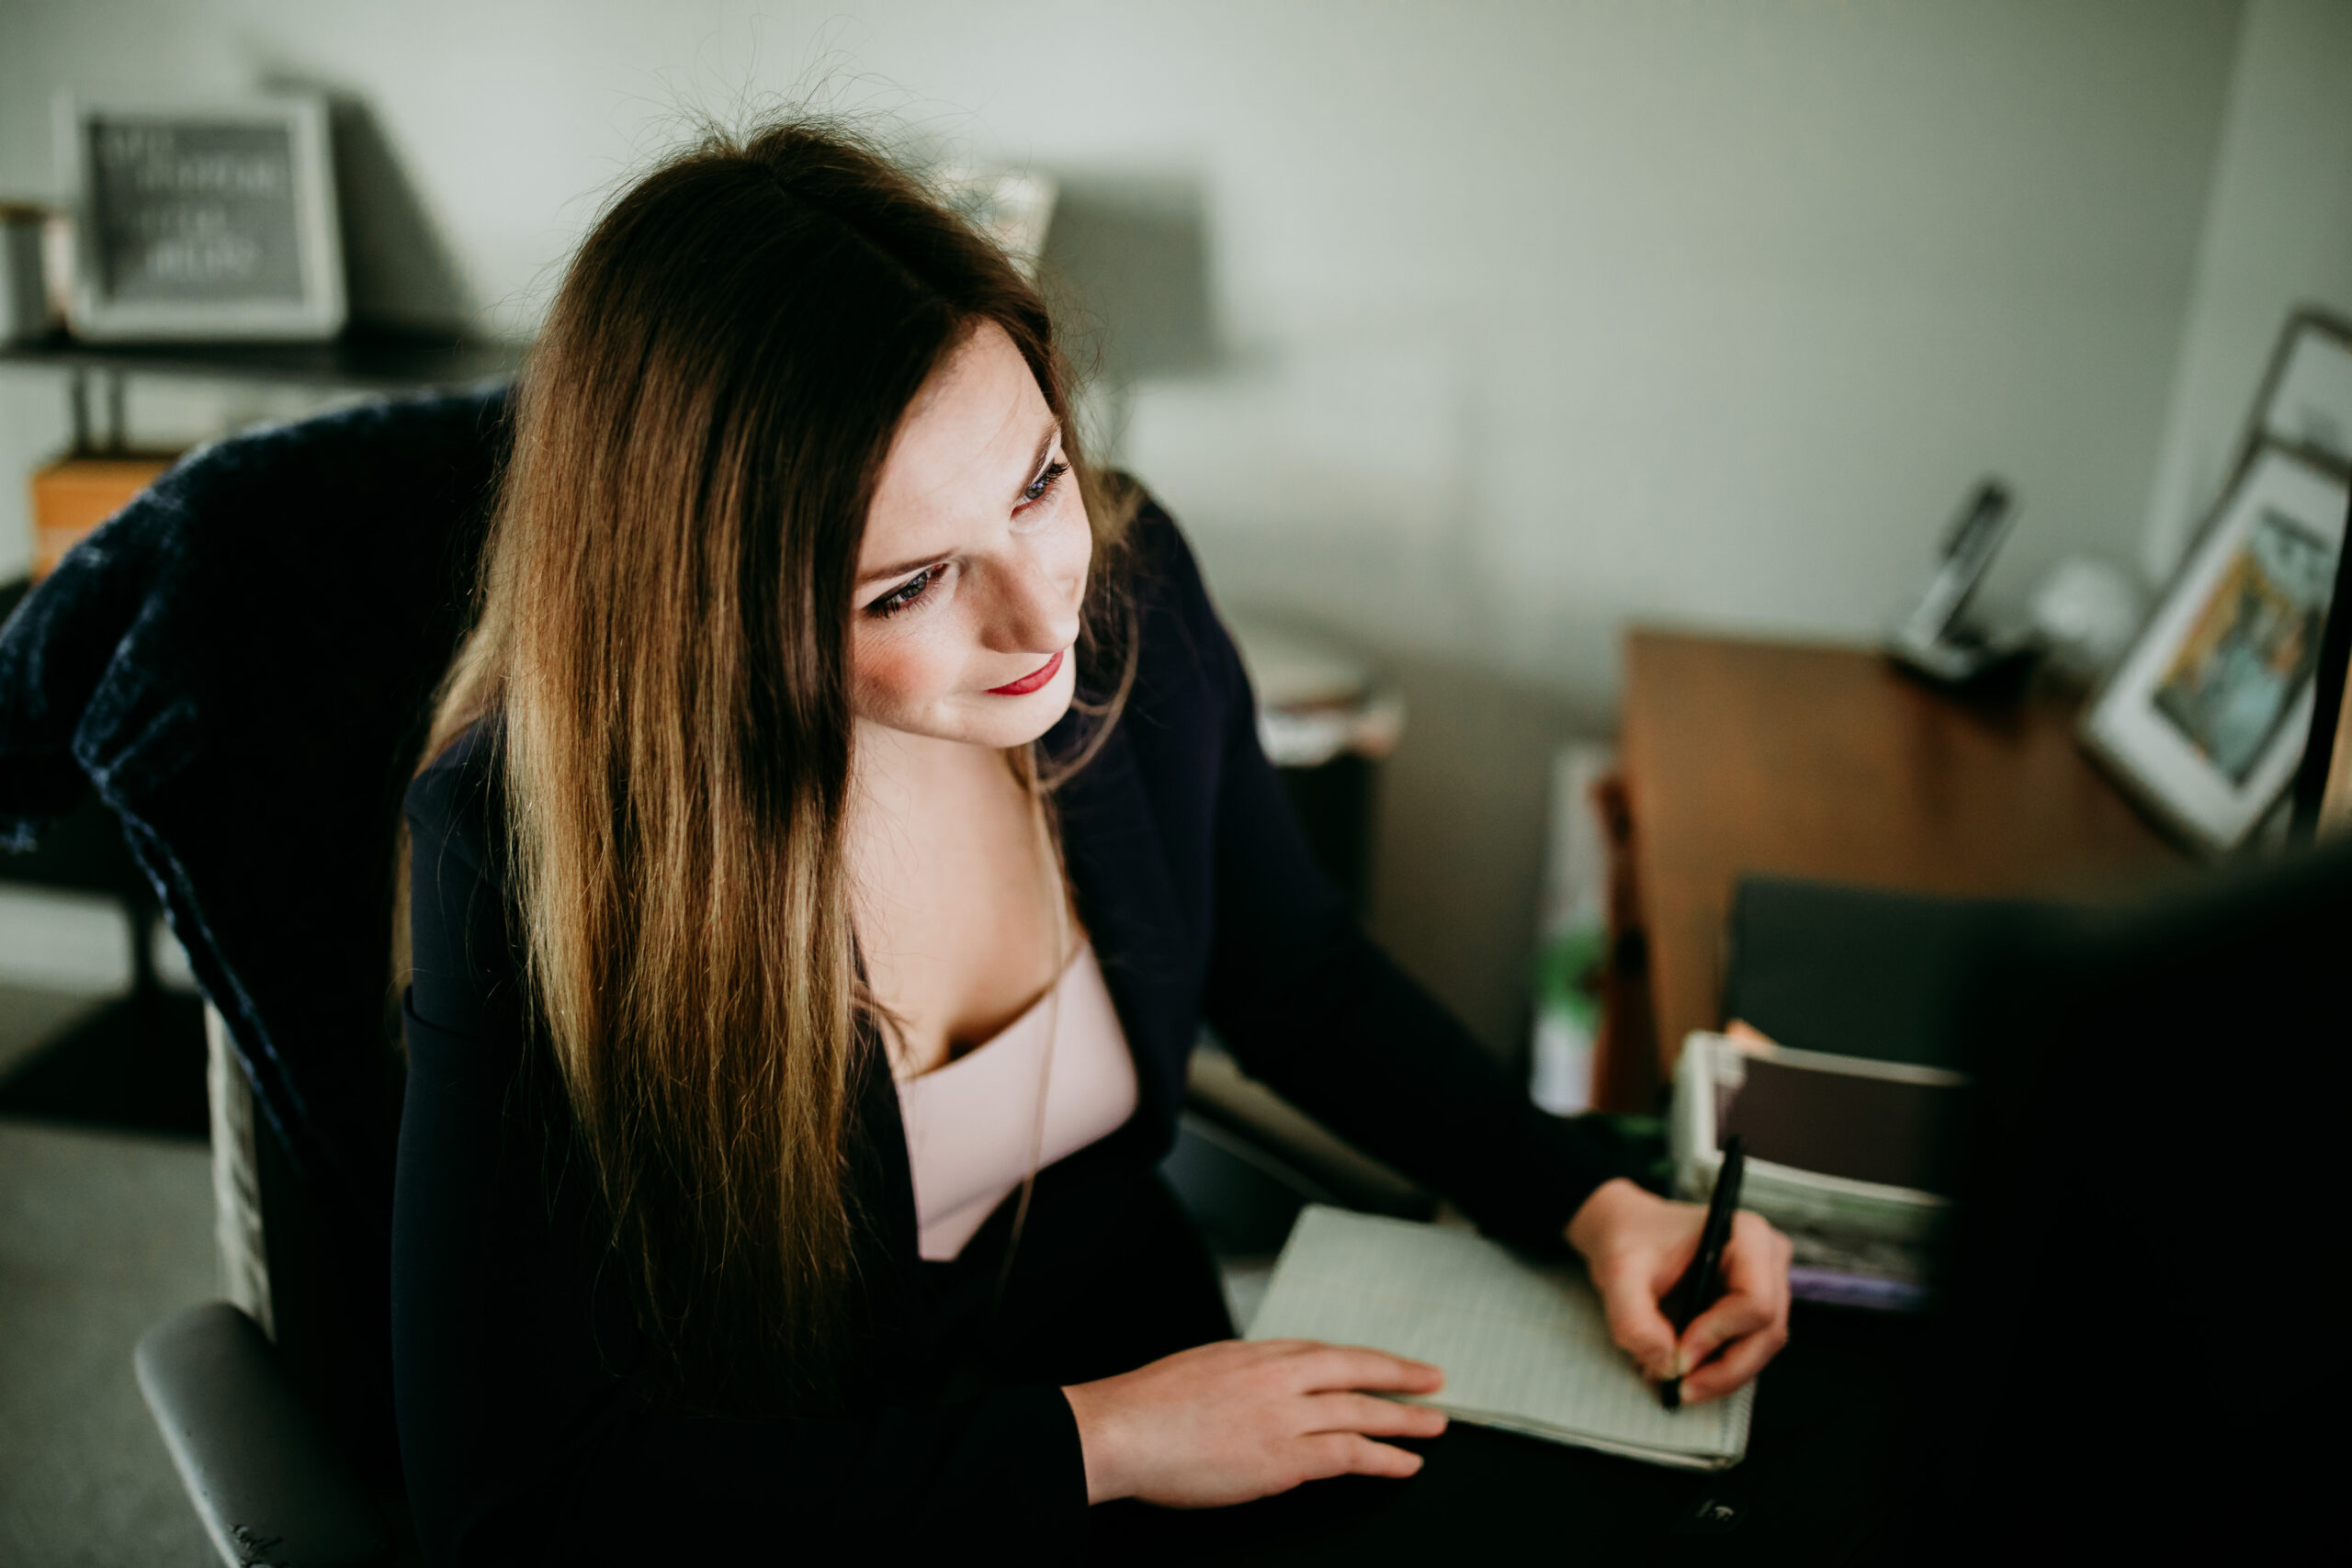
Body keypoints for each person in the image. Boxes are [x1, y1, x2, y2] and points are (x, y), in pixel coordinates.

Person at [391, 121, 1792, 1564]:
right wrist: (1100, 1441)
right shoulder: (523, 850)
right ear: (711, 620)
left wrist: (1595, 1201)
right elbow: (516, 1500)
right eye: (911, 585)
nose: (1040, 616)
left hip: (1166, 1387)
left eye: (1037, 482)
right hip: (830, 1507)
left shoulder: (1132, 601)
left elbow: (1295, 970)